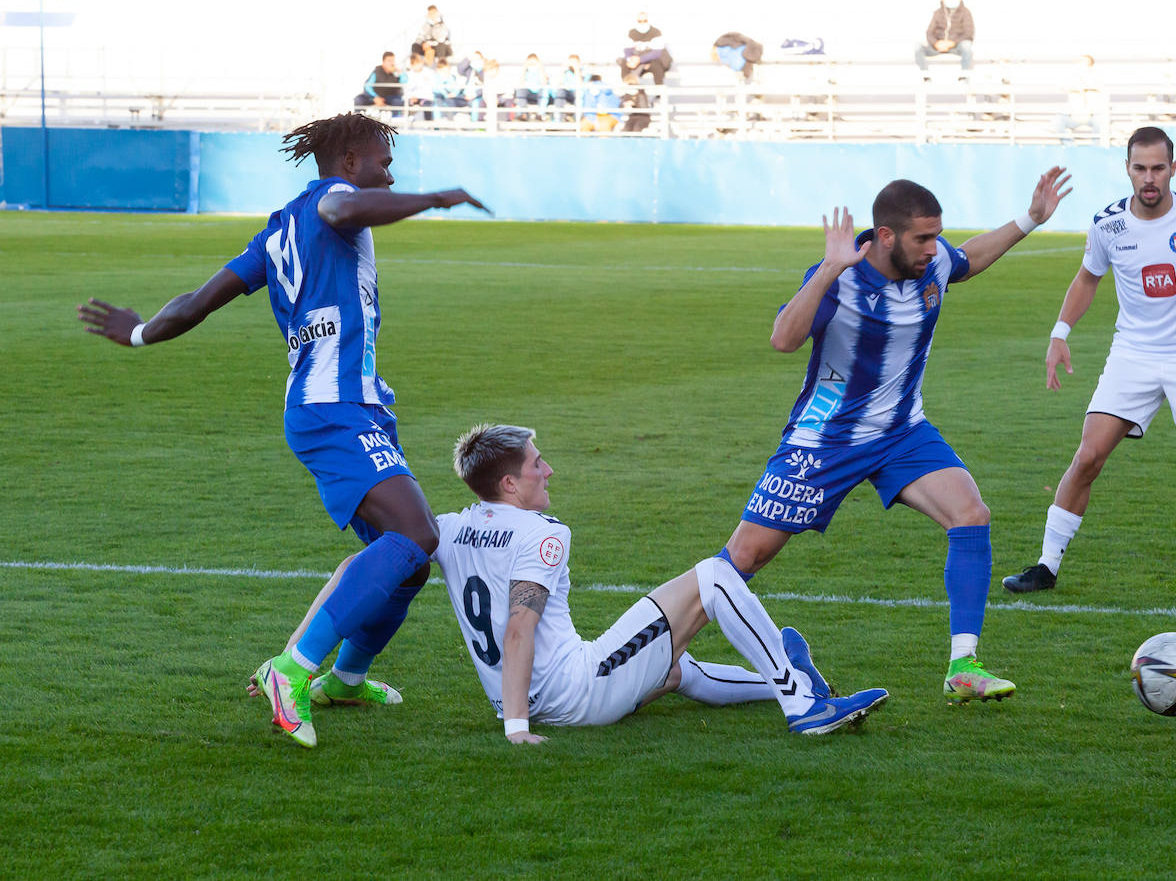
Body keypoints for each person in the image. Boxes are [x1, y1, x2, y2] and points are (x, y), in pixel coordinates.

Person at [77, 114, 491, 748]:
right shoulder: (331, 199)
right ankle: (290, 671)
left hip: (344, 408)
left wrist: (138, 332)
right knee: (417, 535)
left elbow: (197, 301)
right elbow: (348, 209)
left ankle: (346, 680)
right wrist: (434, 199)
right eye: (382, 160)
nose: (390, 171)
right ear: (349, 161)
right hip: (335, 409)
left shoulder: (275, 232)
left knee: (405, 563)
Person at [717, 169, 1072, 703]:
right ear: (886, 237)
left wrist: (1030, 219)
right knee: (742, 560)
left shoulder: (933, 265)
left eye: (937, 236)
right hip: (825, 442)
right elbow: (783, 339)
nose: (935, 248)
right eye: (923, 238)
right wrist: (828, 271)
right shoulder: (841, 277)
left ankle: (963, 665)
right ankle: (659, 649)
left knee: (971, 513)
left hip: (902, 433)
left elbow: (967, 259)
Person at [437, 424, 890, 741]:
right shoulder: (541, 531)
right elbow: (519, 629)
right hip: (578, 693)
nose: (549, 469)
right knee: (715, 574)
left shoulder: (448, 528)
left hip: (534, 698)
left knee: (675, 669)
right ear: (511, 484)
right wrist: (516, 730)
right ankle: (802, 707)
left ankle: (797, 680)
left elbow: (385, 557)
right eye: (537, 464)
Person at [1004, 126, 1176, 596]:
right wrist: (1060, 335)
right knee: (1088, 456)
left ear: (1173, 168)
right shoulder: (1108, 224)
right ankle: (1046, 565)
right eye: (1140, 168)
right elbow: (1086, 279)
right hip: (1133, 354)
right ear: (1127, 170)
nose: (1149, 178)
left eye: (1158, 168)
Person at [915, 0, 974, 78]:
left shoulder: (965, 12)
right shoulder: (938, 13)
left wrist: (952, 43)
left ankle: (965, 77)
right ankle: (925, 76)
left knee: (967, 45)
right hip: (938, 47)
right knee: (918, 46)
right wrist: (936, 43)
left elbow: (969, 33)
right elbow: (929, 32)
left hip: (956, 47)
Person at [618, 12, 672, 86]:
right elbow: (627, 49)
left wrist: (640, 59)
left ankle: (659, 92)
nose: (642, 23)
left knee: (657, 65)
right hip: (635, 62)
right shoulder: (632, 33)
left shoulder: (655, 32)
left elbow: (656, 53)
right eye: (640, 21)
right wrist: (630, 59)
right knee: (625, 63)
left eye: (645, 21)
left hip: (650, 61)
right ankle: (628, 92)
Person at [514, 53, 550, 119]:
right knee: (521, 90)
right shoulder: (525, 72)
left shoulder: (541, 71)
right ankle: (522, 114)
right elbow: (520, 83)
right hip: (528, 94)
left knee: (544, 90)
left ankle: (540, 114)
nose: (532, 65)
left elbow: (544, 82)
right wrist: (525, 67)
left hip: (539, 94)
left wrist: (540, 67)